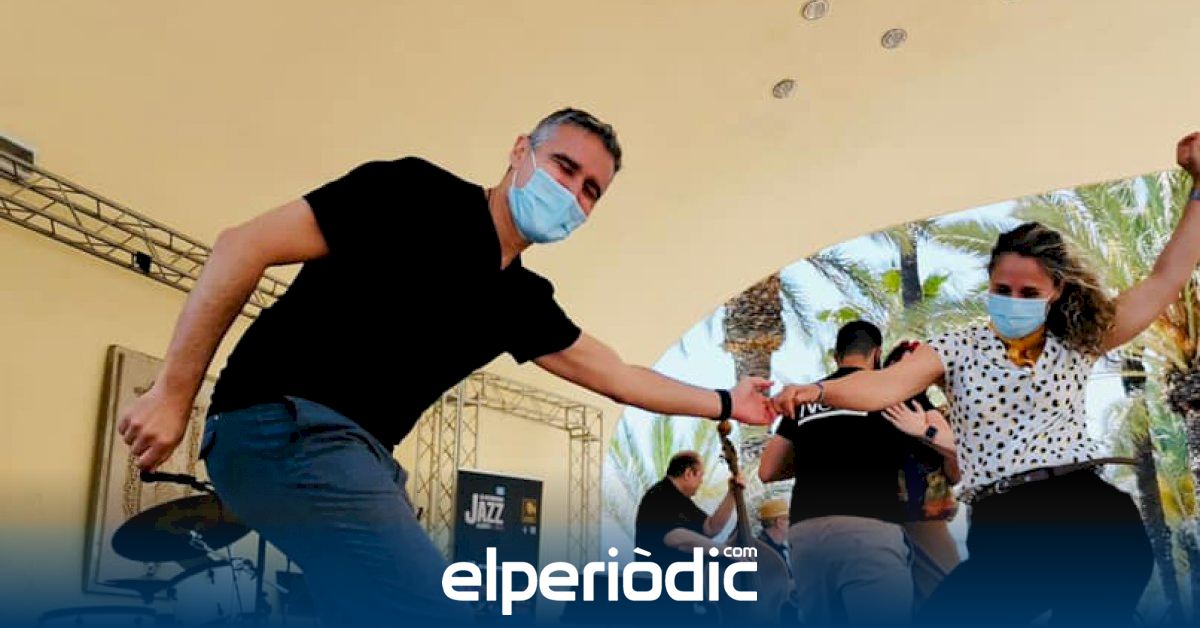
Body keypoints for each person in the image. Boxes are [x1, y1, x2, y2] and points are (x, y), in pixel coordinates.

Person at [116, 108, 776, 626]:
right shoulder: (412, 192)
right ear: (520, 151)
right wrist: (173, 394)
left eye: (590, 191)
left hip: (358, 455)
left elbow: (620, 375)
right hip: (281, 426)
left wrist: (728, 401)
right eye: (564, 166)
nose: (572, 193)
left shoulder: (520, 301)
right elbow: (243, 245)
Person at [773, 132, 1200, 627]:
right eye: (1002, 288)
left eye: (1028, 292)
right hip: (1005, 528)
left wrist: (1198, 187)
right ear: (989, 284)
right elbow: (886, 385)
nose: (1014, 300)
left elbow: (1165, 279)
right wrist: (820, 390)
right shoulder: (957, 347)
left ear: (1055, 291)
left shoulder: (1077, 339)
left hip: (1087, 517)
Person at [759, 321, 955, 626]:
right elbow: (950, 457)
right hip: (868, 527)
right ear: (877, 354)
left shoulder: (803, 398)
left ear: (836, 356)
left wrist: (818, 455)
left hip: (806, 533)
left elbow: (767, 470)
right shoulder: (889, 393)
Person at [879, 341, 961, 609]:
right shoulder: (871, 408)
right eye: (904, 362)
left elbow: (955, 473)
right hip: (878, 520)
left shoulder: (935, 414)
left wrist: (927, 432)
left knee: (945, 596)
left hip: (926, 518)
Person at [634, 451, 745, 568]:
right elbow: (675, 538)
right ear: (688, 474)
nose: (701, 482)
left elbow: (710, 528)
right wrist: (726, 551)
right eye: (700, 476)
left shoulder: (681, 500)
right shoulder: (658, 496)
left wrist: (732, 493)